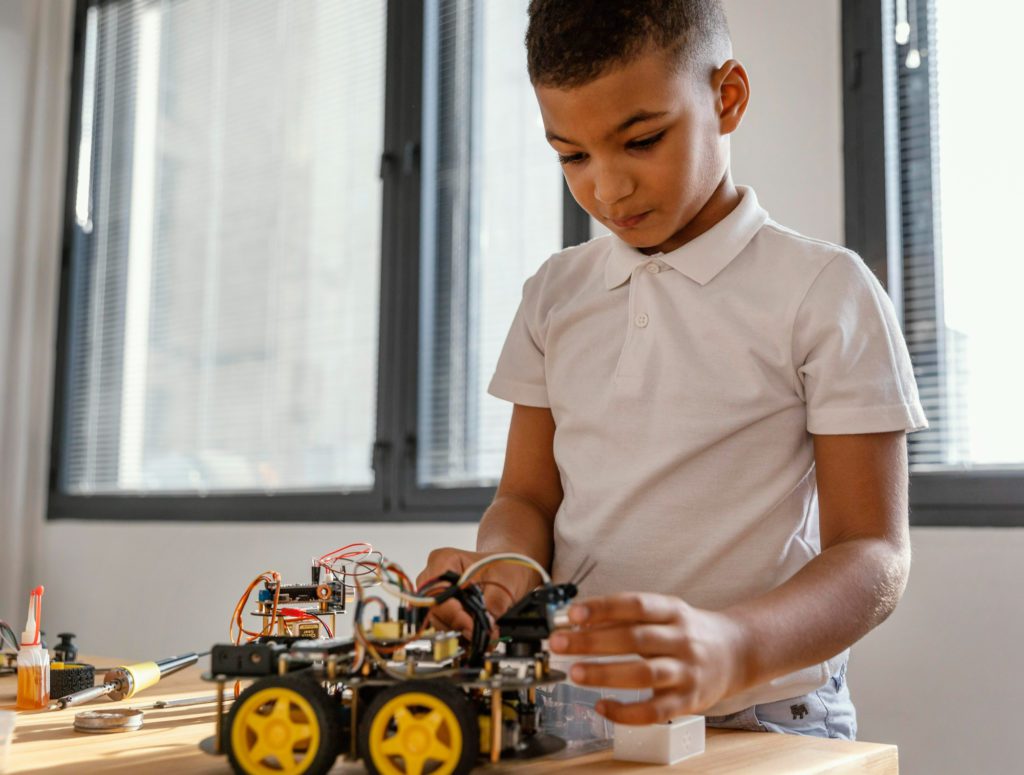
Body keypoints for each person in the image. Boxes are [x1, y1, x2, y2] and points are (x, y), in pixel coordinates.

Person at [417, 0, 926, 740]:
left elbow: (873, 551)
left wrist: (735, 646)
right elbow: (526, 495)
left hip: (764, 713)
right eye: (572, 155)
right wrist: (503, 569)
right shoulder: (554, 294)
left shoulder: (826, 291)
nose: (608, 189)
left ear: (727, 98)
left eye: (642, 140)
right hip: (580, 706)